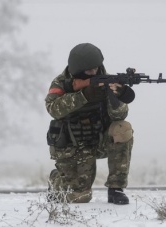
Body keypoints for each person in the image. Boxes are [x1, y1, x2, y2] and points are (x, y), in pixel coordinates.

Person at [45, 43, 135, 205]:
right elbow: (53, 108)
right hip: (72, 147)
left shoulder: (106, 80)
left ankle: (116, 189)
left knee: (123, 128)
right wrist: (84, 96)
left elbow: (120, 115)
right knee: (80, 197)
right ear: (77, 69)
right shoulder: (61, 82)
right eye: (89, 71)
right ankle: (57, 180)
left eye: (96, 68)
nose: (94, 72)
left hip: (98, 140)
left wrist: (117, 96)